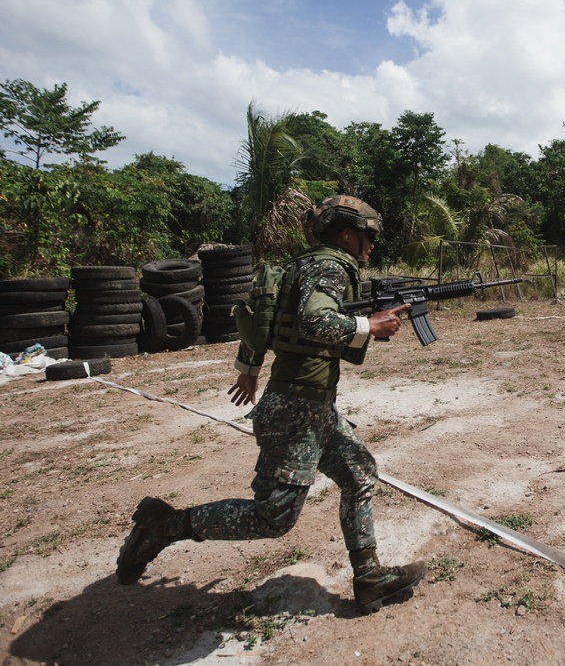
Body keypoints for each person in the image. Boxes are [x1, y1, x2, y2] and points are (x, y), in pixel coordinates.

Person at [116, 196, 426, 613]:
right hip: (298, 409)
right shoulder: (330, 266)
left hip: (314, 407)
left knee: (359, 475)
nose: (371, 245)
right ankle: (163, 527)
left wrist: (250, 366)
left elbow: (268, 317)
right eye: (368, 236)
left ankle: (369, 578)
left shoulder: (300, 264)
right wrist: (368, 325)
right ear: (347, 234)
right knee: (273, 518)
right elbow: (316, 321)